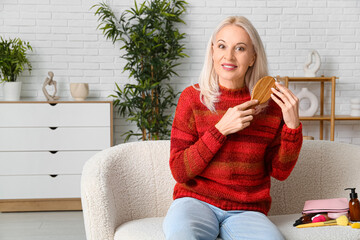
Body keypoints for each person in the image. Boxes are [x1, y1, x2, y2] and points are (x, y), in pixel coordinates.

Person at [162, 16, 303, 240]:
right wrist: (220, 130)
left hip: (247, 209)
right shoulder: (192, 99)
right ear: (212, 51)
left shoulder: (271, 106)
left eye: (240, 48)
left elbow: (279, 172)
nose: (228, 56)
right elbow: (179, 170)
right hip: (196, 202)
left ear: (253, 57)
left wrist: (293, 128)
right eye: (222, 46)